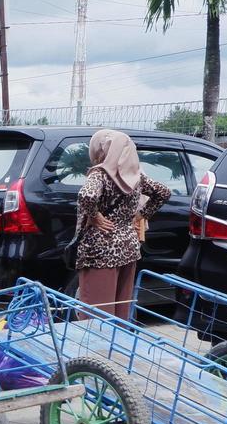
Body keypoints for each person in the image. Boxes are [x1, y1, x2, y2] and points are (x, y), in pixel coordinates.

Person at [73, 128, 171, 322]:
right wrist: (140, 216)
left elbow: (86, 195)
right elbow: (164, 192)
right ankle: (115, 349)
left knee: (97, 313)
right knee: (120, 310)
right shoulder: (136, 177)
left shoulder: (100, 174)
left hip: (101, 250)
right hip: (128, 246)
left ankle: (97, 351)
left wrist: (95, 216)